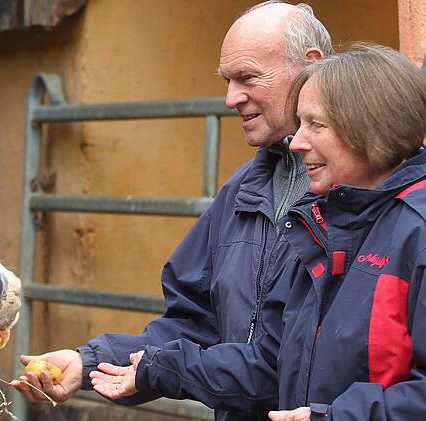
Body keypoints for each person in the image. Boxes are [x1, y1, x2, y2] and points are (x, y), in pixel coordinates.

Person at [12, 2, 332, 420]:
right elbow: (194, 323)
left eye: (247, 77)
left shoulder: (360, 198)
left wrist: (160, 371)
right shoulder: (241, 193)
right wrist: (90, 362)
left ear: (310, 68)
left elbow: (293, 365)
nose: (231, 97)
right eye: (227, 80)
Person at [89, 43, 426, 421]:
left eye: (316, 124)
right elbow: (273, 363)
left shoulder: (416, 231)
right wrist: (160, 369)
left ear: (371, 126)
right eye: (299, 124)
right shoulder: (318, 227)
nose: (297, 142)